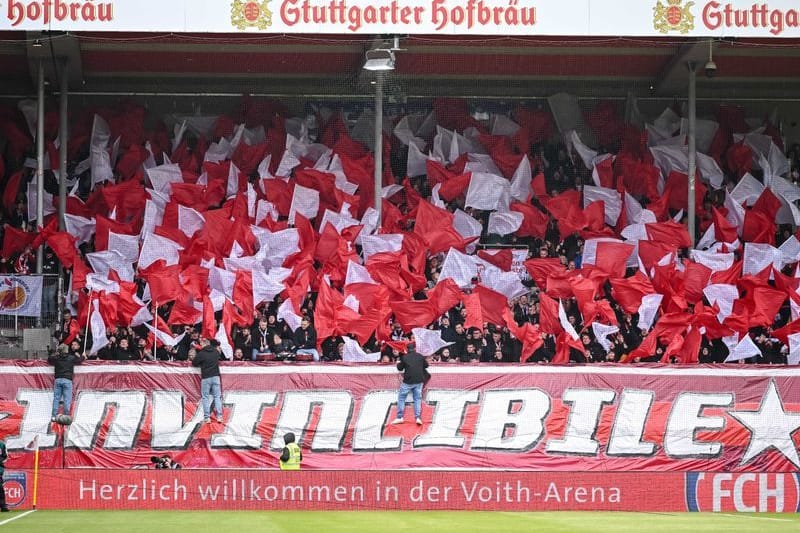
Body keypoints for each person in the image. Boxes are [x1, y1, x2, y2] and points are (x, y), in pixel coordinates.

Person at [391, 343, 429, 426]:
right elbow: (426, 365)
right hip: (419, 381)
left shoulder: (405, 357)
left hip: (408, 381)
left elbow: (399, 368)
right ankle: (418, 418)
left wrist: (398, 362)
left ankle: (400, 417)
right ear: (415, 348)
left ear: (407, 349)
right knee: (417, 399)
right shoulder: (420, 356)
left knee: (401, 398)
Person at [47, 344, 85, 422]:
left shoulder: (56, 358)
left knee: (56, 398)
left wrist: (55, 353)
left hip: (57, 380)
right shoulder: (71, 358)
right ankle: (66, 415)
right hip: (67, 380)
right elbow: (79, 360)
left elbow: (49, 359)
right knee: (67, 399)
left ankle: (54, 416)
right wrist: (83, 356)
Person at [191, 338, 223, 424]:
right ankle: (219, 416)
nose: (200, 345)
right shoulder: (216, 352)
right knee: (217, 397)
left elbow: (194, 363)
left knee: (205, 397)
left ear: (204, 343)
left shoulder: (201, 353)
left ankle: (207, 417)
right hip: (216, 376)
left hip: (206, 377)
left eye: (201, 343)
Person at [0, 437, 8, 511]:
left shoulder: (2, 444)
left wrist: (0, 461)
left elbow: (5, 456)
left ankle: (3, 506)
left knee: (0, 488)